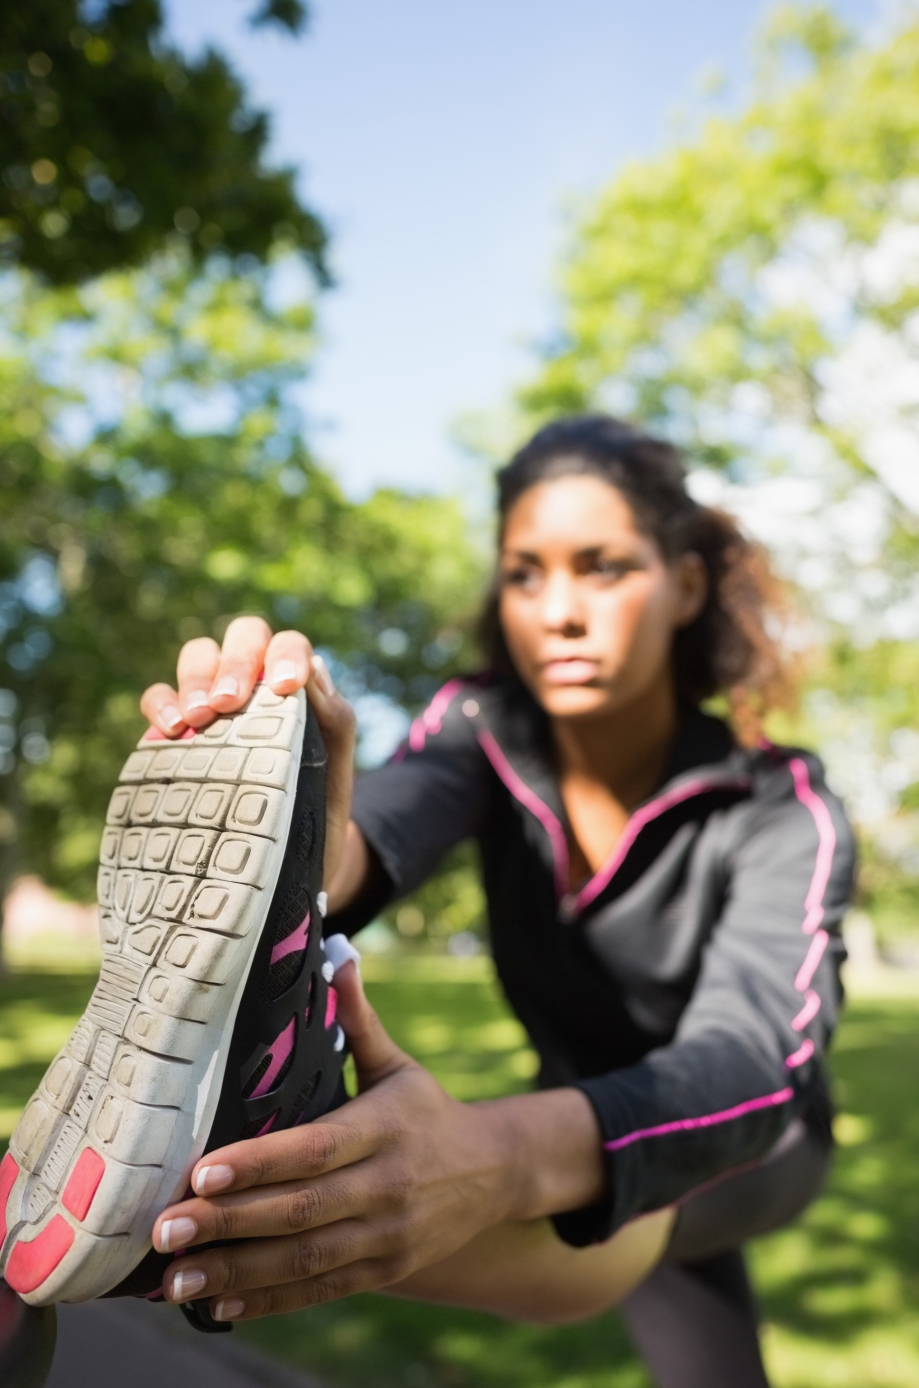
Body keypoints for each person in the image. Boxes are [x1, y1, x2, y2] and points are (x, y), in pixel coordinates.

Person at [139, 415, 854, 1388]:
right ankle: (148, 1219)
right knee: (709, 1350)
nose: (556, 609)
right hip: (572, 1110)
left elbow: (751, 1057)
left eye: (601, 567)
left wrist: (499, 1153)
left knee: (584, 1207)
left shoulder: (780, 803)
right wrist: (293, 835)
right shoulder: (481, 725)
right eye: (525, 573)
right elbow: (373, 841)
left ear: (685, 584)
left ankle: (152, 1230)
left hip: (741, 1129)